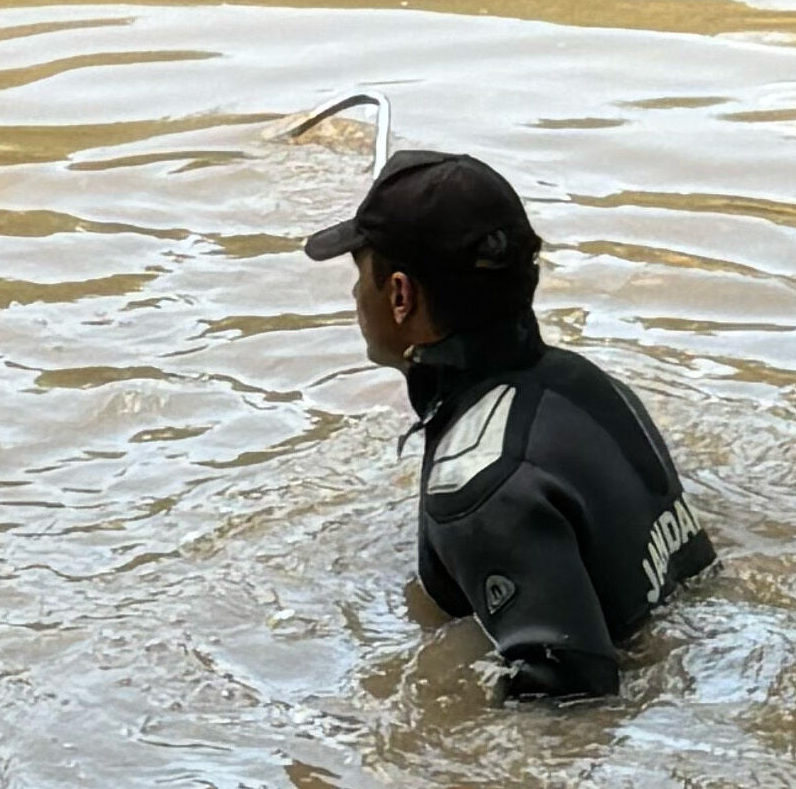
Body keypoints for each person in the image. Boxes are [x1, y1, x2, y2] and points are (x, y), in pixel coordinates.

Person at [302, 144, 714, 705]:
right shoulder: (590, 386)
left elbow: (570, 697)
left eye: (360, 275)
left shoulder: (478, 482)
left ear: (400, 295)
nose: (354, 295)